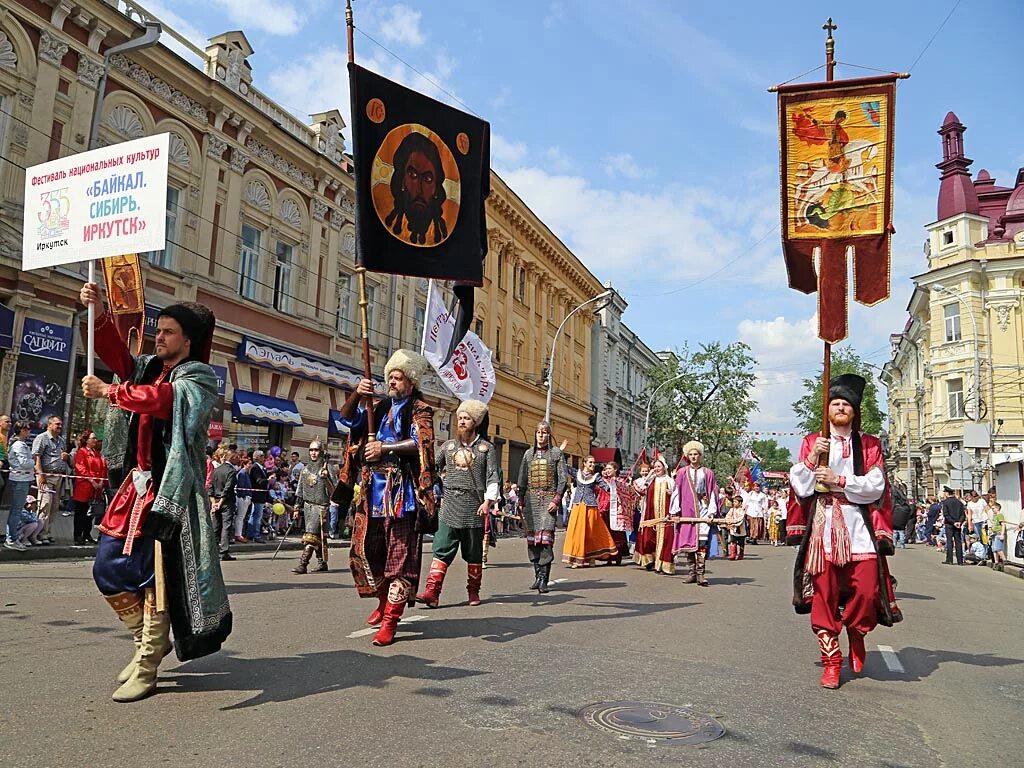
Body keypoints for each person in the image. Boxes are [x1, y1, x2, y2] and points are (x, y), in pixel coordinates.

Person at [78, 280, 231, 702]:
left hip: (172, 492)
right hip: (136, 487)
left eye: (167, 331)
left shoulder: (198, 377)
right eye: (157, 330)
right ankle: (150, 640)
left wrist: (110, 391)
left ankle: (147, 664)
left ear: (188, 339)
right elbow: (115, 356)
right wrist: (97, 313)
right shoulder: (146, 367)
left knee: (159, 580)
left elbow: (162, 401)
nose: (158, 337)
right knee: (107, 567)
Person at [787, 374, 900, 690]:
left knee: (866, 590)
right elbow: (800, 486)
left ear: (854, 411)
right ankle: (832, 661)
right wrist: (811, 459)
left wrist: (841, 481)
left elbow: (876, 487)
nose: (840, 408)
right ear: (827, 410)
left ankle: (856, 629)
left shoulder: (869, 444)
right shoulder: (813, 441)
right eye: (835, 403)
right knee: (825, 593)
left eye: (845, 404)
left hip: (858, 526)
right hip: (824, 525)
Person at [339, 350, 436, 646]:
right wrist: (357, 394)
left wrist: (385, 448)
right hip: (372, 493)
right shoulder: (378, 407)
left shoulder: (420, 409)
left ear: (410, 381)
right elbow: (346, 421)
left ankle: (391, 620)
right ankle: (382, 601)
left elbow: (422, 443)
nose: (392, 382)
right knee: (368, 551)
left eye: (399, 377)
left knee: (400, 558)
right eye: (390, 377)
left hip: (402, 494)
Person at [417, 399, 498, 608]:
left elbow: (492, 477)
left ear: (476, 422)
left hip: (474, 506)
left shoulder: (486, 449)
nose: (461, 422)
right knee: (441, 548)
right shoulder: (449, 446)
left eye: (466, 418)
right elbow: (432, 468)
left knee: (473, 553)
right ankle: (432, 593)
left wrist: (488, 502)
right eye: (460, 418)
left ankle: (473, 591)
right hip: (450, 504)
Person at [516, 421, 568, 594]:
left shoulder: (556, 454)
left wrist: (556, 500)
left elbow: (562, 480)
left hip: (548, 502)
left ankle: (545, 578)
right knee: (533, 543)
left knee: (545, 542)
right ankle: (537, 576)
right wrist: (521, 500)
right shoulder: (528, 454)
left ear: (549, 435)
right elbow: (522, 479)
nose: (541, 435)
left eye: (544, 432)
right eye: (538, 432)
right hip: (531, 502)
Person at [672, 441, 719, 586]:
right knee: (689, 543)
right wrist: (675, 512)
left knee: (701, 543)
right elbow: (676, 492)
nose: (693, 457)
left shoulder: (708, 473)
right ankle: (691, 573)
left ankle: (700, 574)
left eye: (696, 454)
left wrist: (711, 512)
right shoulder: (681, 472)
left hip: (703, 511)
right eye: (690, 454)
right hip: (687, 511)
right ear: (687, 456)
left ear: (700, 455)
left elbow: (712, 493)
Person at [562, 455, 619, 568]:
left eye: (593, 463)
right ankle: (576, 558)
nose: (592, 465)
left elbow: (606, 487)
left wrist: (614, 484)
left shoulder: (596, 477)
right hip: (578, 505)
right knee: (576, 531)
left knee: (591, 532)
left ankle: (591, 557)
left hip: (590, 507)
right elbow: (564, 466)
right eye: (590, 462)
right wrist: (561, 454)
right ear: (584, 463)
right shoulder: (577, 473)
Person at [292, 439, 336, 574]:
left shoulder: (327, 469)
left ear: (321, 452)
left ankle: (303, 564)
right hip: (307, 506)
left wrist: (326, 479)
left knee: (310, 536)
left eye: (316, 450)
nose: (313, 453)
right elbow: (300, 491)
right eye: (311, 450)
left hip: (321, 507)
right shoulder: (305, 470)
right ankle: (322, 562)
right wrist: (296, 508)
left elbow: (334, 491)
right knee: (317, 536)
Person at [633, 453, 677, 574]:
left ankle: (664, 564)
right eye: (655, 466)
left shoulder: (669, 481)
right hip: (650, 514)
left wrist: (671, 493)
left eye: (659, 466)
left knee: (665, 539)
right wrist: (649, 476)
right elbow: (640, 488)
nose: (657, 469)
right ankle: (650, 560)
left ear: (664, 467)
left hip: (665, 515)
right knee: (648, 538)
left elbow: (677, 496)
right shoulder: (651, 480)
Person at [32, 415, 69, 543]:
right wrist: (40, 474)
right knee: (45, 504)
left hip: (58, 477)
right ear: (49, 425)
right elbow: (36, 457)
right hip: (46, 476)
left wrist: (66, 457)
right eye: (57, 424)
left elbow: (64, 454)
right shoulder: (42, 438)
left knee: (54, 506)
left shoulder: (61, 440)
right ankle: (39, 533)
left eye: (60, 424)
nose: (60, 426)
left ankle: (47, 532)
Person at [596, 461, 636, 565]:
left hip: (616, 511)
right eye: (606, 469)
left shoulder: (620, 481)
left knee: (617, 534)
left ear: (615, 470)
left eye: (610, 469)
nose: (608, 471)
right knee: (606, 533)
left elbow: (627, 493)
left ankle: (617, 556)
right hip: (604, 509)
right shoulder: (602, 481)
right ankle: (608, 557)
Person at [4, 421, 35, 551]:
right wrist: (33, 460)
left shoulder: (21, 444)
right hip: (20, 480)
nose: (29, 431)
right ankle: (11, 539)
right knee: (16, 511)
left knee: (16, 511)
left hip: (22, 479)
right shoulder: (19, 445)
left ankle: (12, 537)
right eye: (27, 429)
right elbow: (24, 463)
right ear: (22, 430)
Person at [72, 431, 106, 545]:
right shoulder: (81, 452)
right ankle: (78, 536)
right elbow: (80, 468)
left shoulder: (97, 453)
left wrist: (100, 481)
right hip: (84, 487)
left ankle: (87, 534)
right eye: (93, 438)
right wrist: (92, 481)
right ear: (86, 440)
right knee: (81, 513)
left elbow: (102, 468)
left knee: (91, 514)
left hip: (95, 489)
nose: (95, 440)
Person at [208, 449, 239, 561]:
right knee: (226, 527)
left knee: (216, 527)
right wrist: (220, 502)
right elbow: (228, 488)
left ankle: (214, 550)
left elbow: (211, 487)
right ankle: (224, 552)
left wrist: (214, 503)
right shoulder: (231, 471)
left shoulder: (216, 470)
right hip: (226, 502)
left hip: (216, 500)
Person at [940, 486, 966, 566]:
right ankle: (960, 561)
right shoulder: (959, 502)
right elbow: (963, 515)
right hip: (958, 524)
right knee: (958, 542)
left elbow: (946, 515)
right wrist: (959, 522)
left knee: (949, 541)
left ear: (947, 493)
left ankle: (950, 559)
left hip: (949, 524)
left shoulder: (946, 503)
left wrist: (953, 522)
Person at [247, 449, 269, 542]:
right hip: (257, 495)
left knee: (254, 515)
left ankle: (251, 534)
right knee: (257, 515)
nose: (264, 458)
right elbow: (258, 481)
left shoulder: (261, 468)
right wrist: (268, 480)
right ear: (258, 457)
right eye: (263, 456)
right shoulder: (255, 468)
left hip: (261, 496)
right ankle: (255, 534)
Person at [723, 496, 748, 560]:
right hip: (733, 529)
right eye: (733, 502)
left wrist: (734, 523)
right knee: (733, 542)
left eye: (736, 502)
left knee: (741, 543)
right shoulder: (732, 509)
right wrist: (729, 522)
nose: (734, 503)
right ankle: (733, 554)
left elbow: (741, 519)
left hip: (741, 530)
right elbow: (727, 516)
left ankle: (741, 554)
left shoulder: (742, 510)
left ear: (740, 503)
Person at [989, 502, 1008, 566]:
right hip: (994, 534)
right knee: (994, 549)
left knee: (998, 548)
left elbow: (1003, 524)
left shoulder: (1000, 515)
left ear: (997, 508)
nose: (992, 510)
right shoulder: (995, 516)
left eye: (993, 508)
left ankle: (1004, 560)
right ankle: (996, 561)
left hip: (998, 533)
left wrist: (1002, 534)